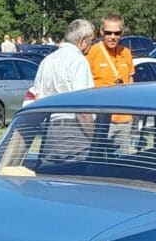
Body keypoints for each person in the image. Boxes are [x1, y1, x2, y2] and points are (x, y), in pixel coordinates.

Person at [33, 19, 96, 162]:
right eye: (91, 41)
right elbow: (82, 107)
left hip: (49, 132)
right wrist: (94, 139)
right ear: (82, 40)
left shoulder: (47, 61)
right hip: (74, 131)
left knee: (49, 178)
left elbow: (37, 99)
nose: (91, 46)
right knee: (76, 178)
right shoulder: (78, 61)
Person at [87, 14, 135, 150]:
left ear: (122, 33)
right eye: (108, 33)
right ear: (101, 31)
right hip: (101, 119)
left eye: (117, 33)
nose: (112, 37)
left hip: (124, 119)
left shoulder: (126, 53)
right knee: (99, 161)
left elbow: (131, 82)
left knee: (123, 163)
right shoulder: (92, 52)